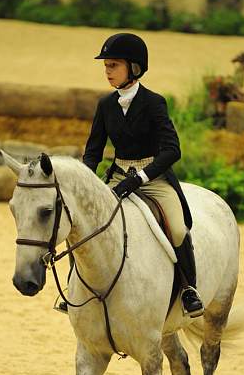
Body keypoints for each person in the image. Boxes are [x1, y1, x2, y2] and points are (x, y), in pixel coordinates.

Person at [58, 32, 203, 318]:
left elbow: (172, 150)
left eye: (113, 65)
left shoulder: (154, 103)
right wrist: (85, 183)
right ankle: (74, 286)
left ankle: (189, 289)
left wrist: (139, 179)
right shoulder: (105, 105)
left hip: (153, 178)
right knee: (81, 222)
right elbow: (93, 152)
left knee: (176, 227)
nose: (107, 71)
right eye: (106, 66)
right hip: (117, 175)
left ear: (133, 67)